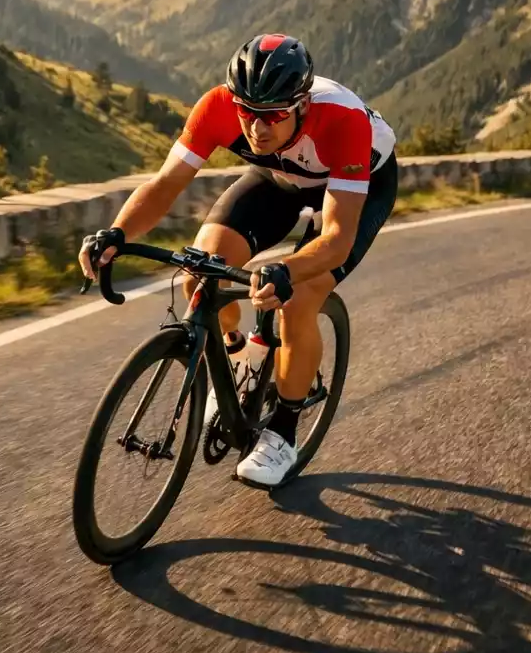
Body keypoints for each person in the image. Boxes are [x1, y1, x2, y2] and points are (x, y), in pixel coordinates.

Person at [78, 34, 399, 489]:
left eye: (273, 116)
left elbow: (336, 238)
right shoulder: (218, 107)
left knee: (301, 297)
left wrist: (287, 270)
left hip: (355, 188)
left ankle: (284, 432)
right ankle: (239, 357)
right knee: (199, 271)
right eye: (248, 112)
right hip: (278, 177)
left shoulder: (343, 122)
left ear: (302, 106)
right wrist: (116, 233)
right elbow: (166, 184)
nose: (257, 129)